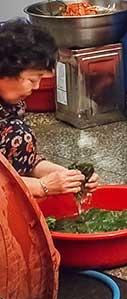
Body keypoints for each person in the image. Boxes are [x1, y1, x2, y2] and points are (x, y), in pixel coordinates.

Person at [0, 19, 97, 199]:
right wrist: (41, 186)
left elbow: (25, 162)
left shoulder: (11, 105)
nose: (36, 87)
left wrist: (69, 177)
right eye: (31, 79)